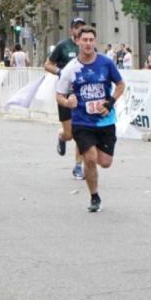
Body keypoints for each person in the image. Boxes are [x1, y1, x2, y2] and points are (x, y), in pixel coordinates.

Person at [56, 26, 125, 213]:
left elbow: (120, 85)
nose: (88, 43)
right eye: (84, 40)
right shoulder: (71, 68)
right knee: (90, 159)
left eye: (91, 40)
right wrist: (67, 102)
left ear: (95, 41)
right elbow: (59, 94)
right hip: (82, 121)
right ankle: (94, 197)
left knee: (105, 162)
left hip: (105, 121)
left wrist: (110, 102)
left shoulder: (106, 63)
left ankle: (62, 136)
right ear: (77, 41)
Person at [45, 17, 87, 180]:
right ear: (71, 30)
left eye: (82, 26)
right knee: (69, 134)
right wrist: (60, 72)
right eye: (76, 27)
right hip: (64, 93)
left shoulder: (87, 46)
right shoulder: (63, 46)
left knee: (80, 132)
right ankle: (61, 137)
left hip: (82, 95)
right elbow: (47, 64)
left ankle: (78, 166)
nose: (79, 30)